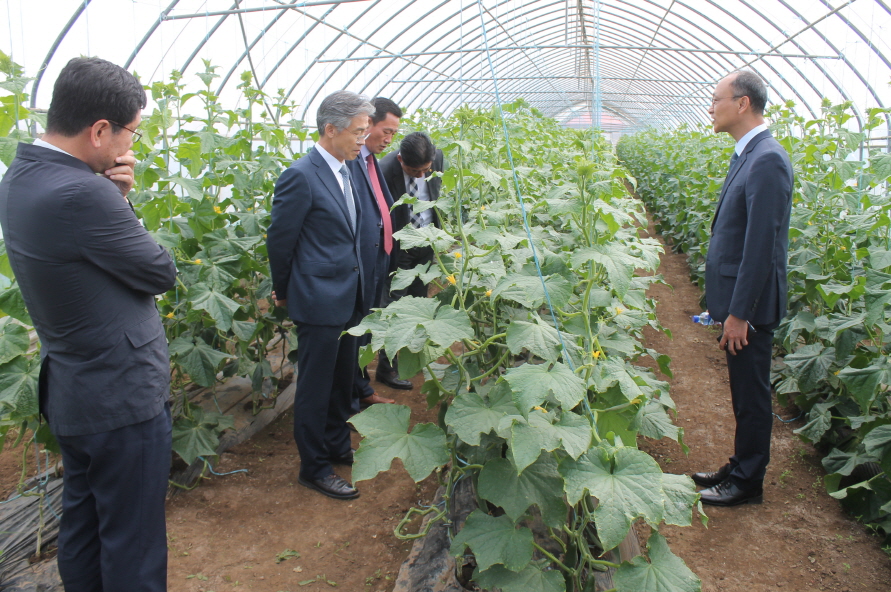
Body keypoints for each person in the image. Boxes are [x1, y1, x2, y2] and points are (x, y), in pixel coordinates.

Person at [0, 57, 176, 590]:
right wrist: (121, 202)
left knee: (82, 524)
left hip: (75, 390)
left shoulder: (21, 175)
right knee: (133, 541)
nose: (130, 148)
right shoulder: (86, 192)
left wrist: (111, 197)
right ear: (100, 130)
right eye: (129, 134)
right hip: (120, 396)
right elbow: (159, 271)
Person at [266, 90, 376, 500]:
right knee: (314, 387)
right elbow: (281, 239)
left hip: (349, 294)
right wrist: (283, 289)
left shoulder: (347, 169)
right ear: (331, 129)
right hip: (318, 297)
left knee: (341, 379)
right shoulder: (301, 174)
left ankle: (335, 443)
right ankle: (313, 467)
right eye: (358, 131)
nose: (363, 139)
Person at [692, 70, 793, 507]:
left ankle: (748, 481)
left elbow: (761, 247)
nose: (710, 107)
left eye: (716, 99)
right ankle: (739, 464)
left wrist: (740, 313)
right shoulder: (749, 154)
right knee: (742, 389)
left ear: (743, 104)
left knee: (752, 394)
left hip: (748, 309)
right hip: (739, 305)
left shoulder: (767, 158)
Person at [375, 132, 445, 388]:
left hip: (426, 243)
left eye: (424, 170)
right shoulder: (384, 170)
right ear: (400, 158)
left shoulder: (436, 159)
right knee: (394, 307)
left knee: (418, 304)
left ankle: (410, 360)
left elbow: (436, 195)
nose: (420, 176)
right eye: (413, 170)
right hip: (400, 247)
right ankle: (386, 369)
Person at [349, 97, 403, 408]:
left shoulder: (370, 162)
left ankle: (362, 388)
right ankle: (355, 394)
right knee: (358, 331)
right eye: (386, 131)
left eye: (394, 133)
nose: (389, 139)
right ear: (368, 124)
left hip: (379, 259)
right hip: (362, 264)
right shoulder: (353, 161)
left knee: (368, 329)